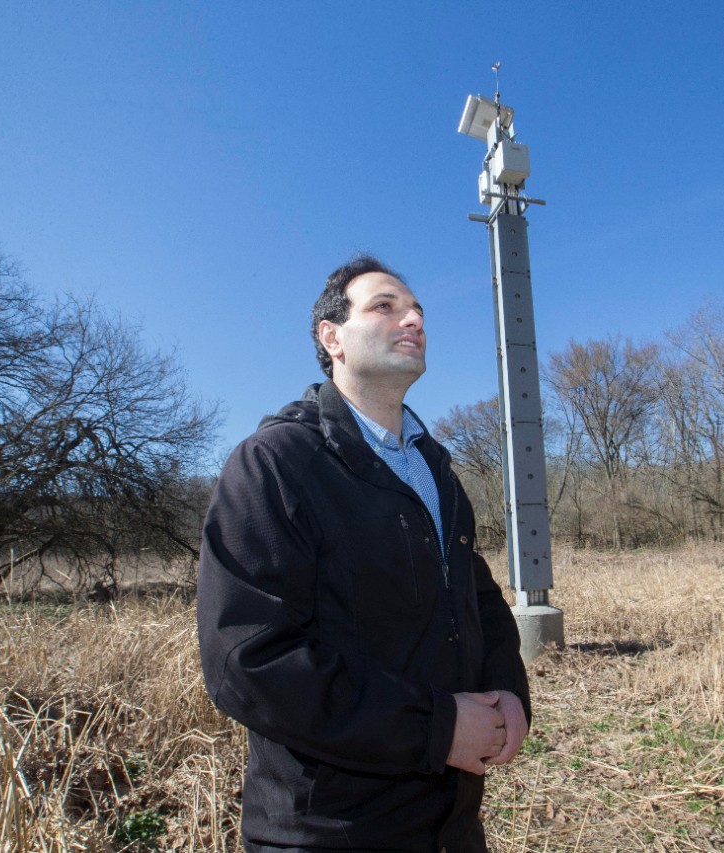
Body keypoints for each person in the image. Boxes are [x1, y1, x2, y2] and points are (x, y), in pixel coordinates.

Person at [197, 254, 531, 852]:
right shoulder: (275, 464)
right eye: (385, 306)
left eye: (418, 310)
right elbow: (250, 660)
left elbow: (476, 596)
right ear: (332, 338)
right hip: (328, 830)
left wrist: (508, 686)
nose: (414, 319)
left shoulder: (435, 469)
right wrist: (439, 727)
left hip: (450, 823)